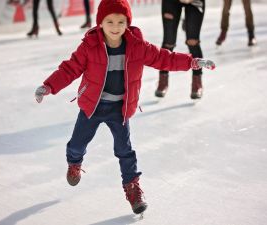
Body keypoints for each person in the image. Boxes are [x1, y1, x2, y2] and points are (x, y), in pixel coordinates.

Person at [34, 0, 215, 214]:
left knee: (125, 151)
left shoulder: (137, 46)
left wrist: (192, 62)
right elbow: (69, 69)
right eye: (109, 21)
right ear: (100, 22)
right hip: (93, 106)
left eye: (121, 21)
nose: (115, 26)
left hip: (119, 109)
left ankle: (133, 188)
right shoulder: (89, 46)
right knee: (76, 144)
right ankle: (74, 163)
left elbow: (163, 58)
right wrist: (48, 86)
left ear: (128, 23)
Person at [155, 0, 206, 99]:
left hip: (195, 2)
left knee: (193, 41)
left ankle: (197, 83)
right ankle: (163, 80)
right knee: (168, 42)